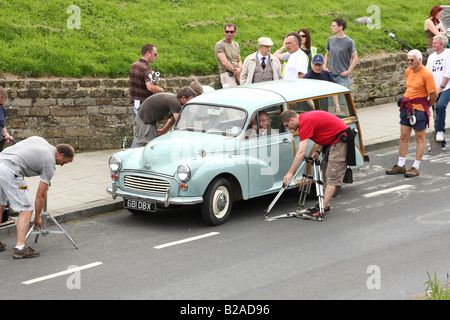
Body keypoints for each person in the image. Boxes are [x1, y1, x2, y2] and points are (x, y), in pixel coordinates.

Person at [0, 136, 74, 258]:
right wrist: (38, 217)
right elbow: (41, 194)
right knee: (27, 207)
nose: (62, 165)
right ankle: (20, 248)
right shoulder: (49, 163)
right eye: (65, 162)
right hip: (10, 171)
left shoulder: (40, 140)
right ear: (60, 155)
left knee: (1, 204)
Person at [280, 110, 355, 220]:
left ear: (291, 120)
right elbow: (325, 131)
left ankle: (322, 208)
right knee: (325, 175)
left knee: (332, 177)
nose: (288, 128)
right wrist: (318, 150)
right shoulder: (305, 119)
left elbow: (301, 152)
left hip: (340, 141)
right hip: (332, 142)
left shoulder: (305, 123)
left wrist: (290, 173)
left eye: (287, 125)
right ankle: (325, 204)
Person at [386, 50, 437, 178]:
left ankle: (415, 167)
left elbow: (434, 94)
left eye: (412, 60)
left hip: (419, 109)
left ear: (419, 60)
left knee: (420, 138)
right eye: (408, 59)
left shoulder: (426, 74)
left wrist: (426, 106)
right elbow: (410, 88)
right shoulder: (408, 71)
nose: (409, 62)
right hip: (407, 107)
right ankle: (401, 165)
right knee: (404, 136)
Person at [129, 44, 164, 147]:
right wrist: (161, 90)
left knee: (138, 133)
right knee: (141, 135)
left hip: (133, 104)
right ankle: (133, 155)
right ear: (148, 53)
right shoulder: (147, 68)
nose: (156, 56)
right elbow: (150, 87)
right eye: (155, 54)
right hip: (142, 106)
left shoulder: (134, 65)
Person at [426, 35, 450, 148]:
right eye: (433, 42)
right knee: (436, 113)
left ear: (442, 45)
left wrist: (441, 87)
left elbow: (448, 73)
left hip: (446, 87)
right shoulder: (431, 57)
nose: (432, 44)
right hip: (433, 89)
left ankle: (440, 131)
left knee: (440, 106)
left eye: (435, 43)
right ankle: (440, 142)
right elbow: (428, 74)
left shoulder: (448, 54)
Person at [324, 18, 358, 89]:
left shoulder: (349, 41)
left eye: (334, 26)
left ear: (340, 27)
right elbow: (327, 55)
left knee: (343, 100)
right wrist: (324, 66)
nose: (331, 27)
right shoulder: (330, 40)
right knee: (331, 100)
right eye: (331, 25)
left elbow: (355, 57)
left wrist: (348, 72)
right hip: (330, 76)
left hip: (342, 77)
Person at [214, 23, 243, 88]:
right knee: (231, 93)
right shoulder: (220, 45)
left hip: (237, 72)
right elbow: (224, 62)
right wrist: (236, 72)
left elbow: (239, 60)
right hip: (226, 73)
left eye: (231, 32)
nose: (229, 33)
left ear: (234, 33)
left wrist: (240, 69)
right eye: (227, 31)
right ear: (224, 32)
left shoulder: (236, 45)